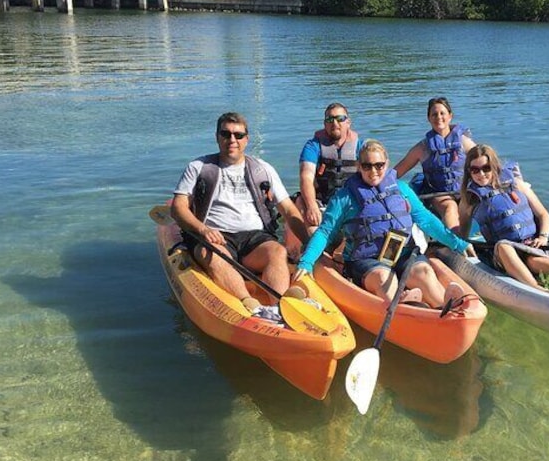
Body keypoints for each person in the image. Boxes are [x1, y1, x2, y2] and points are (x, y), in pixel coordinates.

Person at [293, 139, 476, 308]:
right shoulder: (345, 198)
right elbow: (325, 232)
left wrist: (457, 243)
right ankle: (408, 308)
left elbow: (426, 221)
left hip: (403, 254)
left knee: (424, 273)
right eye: (367, 166)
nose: (373, 171)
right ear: (359, 166)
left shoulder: (402, 189)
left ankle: (445, 309)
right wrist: (306, 262)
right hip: (366, 260)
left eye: (379, 165)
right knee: (384, 277)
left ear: (386, 164)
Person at [171, 112, 310, 314]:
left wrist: (309, 242)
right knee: (214, 253)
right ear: (217, 137)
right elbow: (178, 208)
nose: (232, 140)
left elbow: (288, 209)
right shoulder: (198, 167)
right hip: (215, 236)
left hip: (254, 237)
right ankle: (248, 302)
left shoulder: (263, 168)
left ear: (247, 139)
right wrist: (202, 229)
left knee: (278, 252)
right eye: (226, 134)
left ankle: (280, 305)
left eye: (238, 135)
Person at [458, 144, 549, 298]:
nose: (481, 174)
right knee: (504, 246)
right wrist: (459, 247)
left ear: (494, 167)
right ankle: (541, 291)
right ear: (469, 172)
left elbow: (543, 214)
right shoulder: (469, 198)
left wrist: (542, 237)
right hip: (502, 253)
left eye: (486, 168)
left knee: (534, 262)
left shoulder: (516, 184)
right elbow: (463, 231)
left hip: (532, 245)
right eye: (475, 170)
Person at [286, 103, 362, 260]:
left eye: (340, 118)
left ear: (348, 122)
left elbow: (376, 175)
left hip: (348, 204)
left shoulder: (360, 147)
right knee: (305, 209)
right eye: (330, 119)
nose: (335, 123)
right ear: (324, 123)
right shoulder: (313, 146)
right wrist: (312, 206)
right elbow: (306, 177)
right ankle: (313, 253)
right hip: (322, 203)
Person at [394, 96, 477, 231]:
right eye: (434, 114)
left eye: (442, 113)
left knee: (468, 206)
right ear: (429, 118)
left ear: (450, 116)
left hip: (462, 190)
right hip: (439, 194)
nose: (438, 117)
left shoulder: (463, 142)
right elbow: (396, 172)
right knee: (450, 208)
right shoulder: (422, 148)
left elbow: (486, 160)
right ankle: (457, 246)